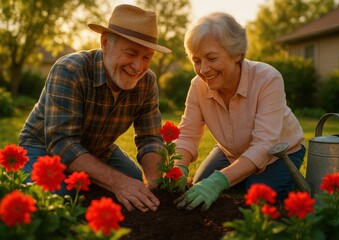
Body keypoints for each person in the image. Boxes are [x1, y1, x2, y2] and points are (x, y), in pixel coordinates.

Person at [18, 4, 172, 213]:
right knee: (61, 197)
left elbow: (150, 138)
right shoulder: (70, 70)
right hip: (43, 147)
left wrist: (155, 184)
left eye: (147, 57)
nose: (138, 67)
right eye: (131, 53)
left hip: (98, 149)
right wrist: (117, 182)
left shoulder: (147, 82)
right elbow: (63, 144)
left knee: (135, 181)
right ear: (106, 42)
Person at [173, 12, 305, 211]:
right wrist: (180, 168)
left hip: (279, 153)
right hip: (231, 151)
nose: (204, 69)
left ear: (237, 53)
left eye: (211, 58)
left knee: (256, 193)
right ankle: (241, 173)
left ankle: (281, 179)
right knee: (199, 182)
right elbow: (187, 135)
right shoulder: (197, 86)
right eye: (196, 60)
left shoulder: (267, 79)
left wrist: (220, 181)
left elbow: (263, 145)